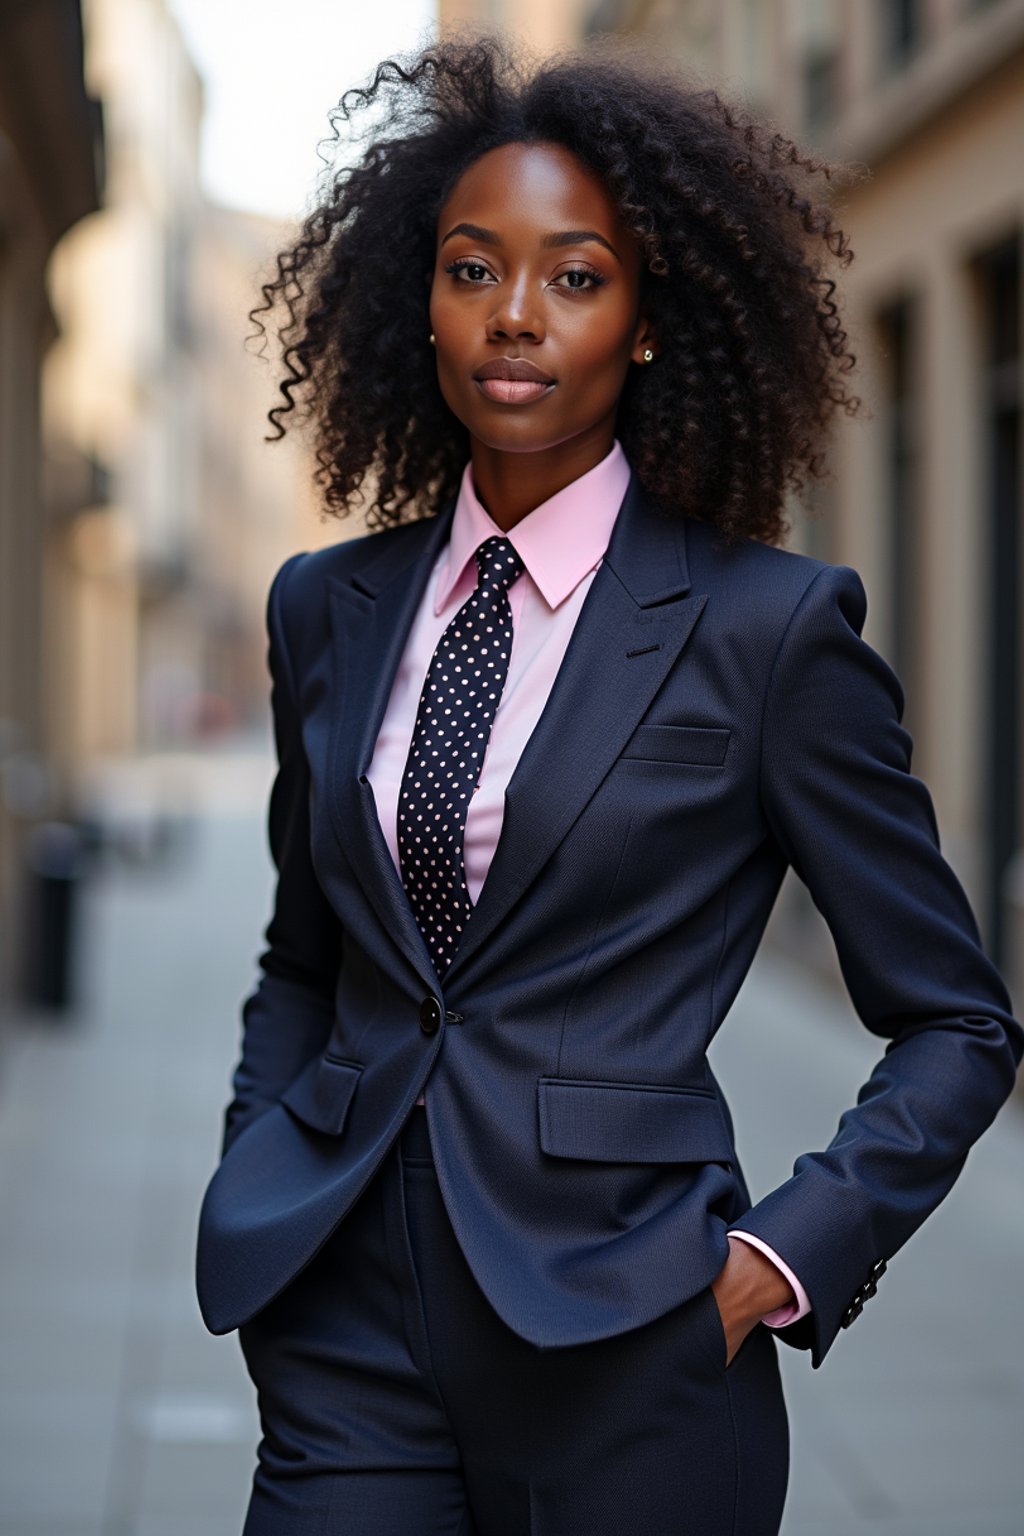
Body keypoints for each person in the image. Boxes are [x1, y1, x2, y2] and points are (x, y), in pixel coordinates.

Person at [195, 32, 1023, 1536]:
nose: (517, 316)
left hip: (628, 1342)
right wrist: (267, 1165)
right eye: (472, 270)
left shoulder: (769, 630)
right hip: (343, 1330)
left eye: (576, 276)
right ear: (424, 306)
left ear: (646, 323)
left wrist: (777, 1261)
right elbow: (302, 954)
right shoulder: (329, 607)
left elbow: (957, 1020)